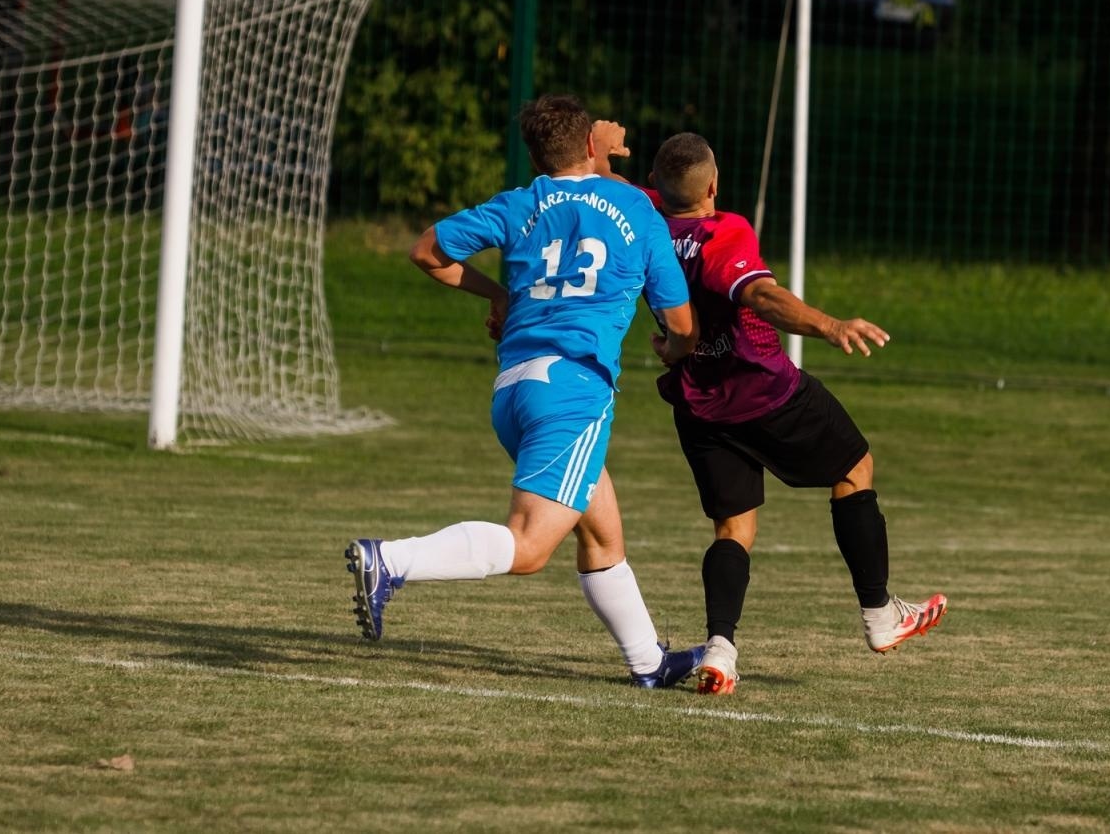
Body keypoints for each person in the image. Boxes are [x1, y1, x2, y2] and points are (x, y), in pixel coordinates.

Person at [346, 95, 705, 688]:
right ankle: (390, 561)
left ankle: (649, 662)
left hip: (514, 389)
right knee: (531, 547)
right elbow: (683, 322)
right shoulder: (637, 209)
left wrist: (499, 294)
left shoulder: (521, 203)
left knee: (600, 529)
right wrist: (676, 350)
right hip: (572, 389)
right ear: (590, 145)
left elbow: (427, 251)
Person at [641, 131, 947, 696]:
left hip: (698, 404)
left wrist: (595, 153)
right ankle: (880, 614)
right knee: (855, 466)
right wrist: (830, 325)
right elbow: (760, 295)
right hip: (767, 394)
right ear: (713, 185)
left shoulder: (645, 220)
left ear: (656, 188)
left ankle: (721, 649)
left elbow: (601, 187)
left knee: (733, 529)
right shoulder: (721, 230)